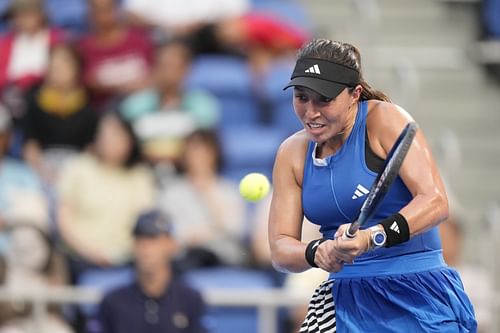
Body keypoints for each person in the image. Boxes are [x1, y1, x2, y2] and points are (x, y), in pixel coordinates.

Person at [268, 39, 477, 332]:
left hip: (418, 295)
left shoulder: (385, 120)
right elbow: (280, 248)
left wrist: (372, 237)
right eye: (302, 97)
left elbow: (435, 201)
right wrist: (316, 251)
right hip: (345, 301)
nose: (311, 112)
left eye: (324, 100)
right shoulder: (291, 153)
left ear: (354, 94)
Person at [57, 111, 155, 281]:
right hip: (80, 258)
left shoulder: (141, 176)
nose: (110, 141)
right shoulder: (78, 168)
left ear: (130, 140)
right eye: (105, 135)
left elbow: (145, 221)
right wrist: (91, 253)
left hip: (129, 259)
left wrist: (123, 253)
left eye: (117, 135)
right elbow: (64, 220)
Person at [98, 209, 208, 333]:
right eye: (139, 239)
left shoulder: (189, 299)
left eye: (153, 239)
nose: (145, 247)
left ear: (171, 244)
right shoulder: (114, 302)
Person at [158, 129, 247, 268]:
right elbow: (167, 233)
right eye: (192, 151)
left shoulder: (228, 190)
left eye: (204, 151)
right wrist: (192, 237)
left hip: (222, 256)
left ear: (214, 154)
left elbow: (235, 229)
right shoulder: (171, 192)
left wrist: (207, 193)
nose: (198, 157)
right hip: (183, 257)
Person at [22, 43, 98, 184]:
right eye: (53, 64)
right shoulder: (34, 101)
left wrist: (73, 175)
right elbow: (30, 146)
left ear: (77, 69)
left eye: (63, 64)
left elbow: (90, 149)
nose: (56, 69)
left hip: (77, 171)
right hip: (41, 169)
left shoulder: (89, 107)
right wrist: (44, 171)